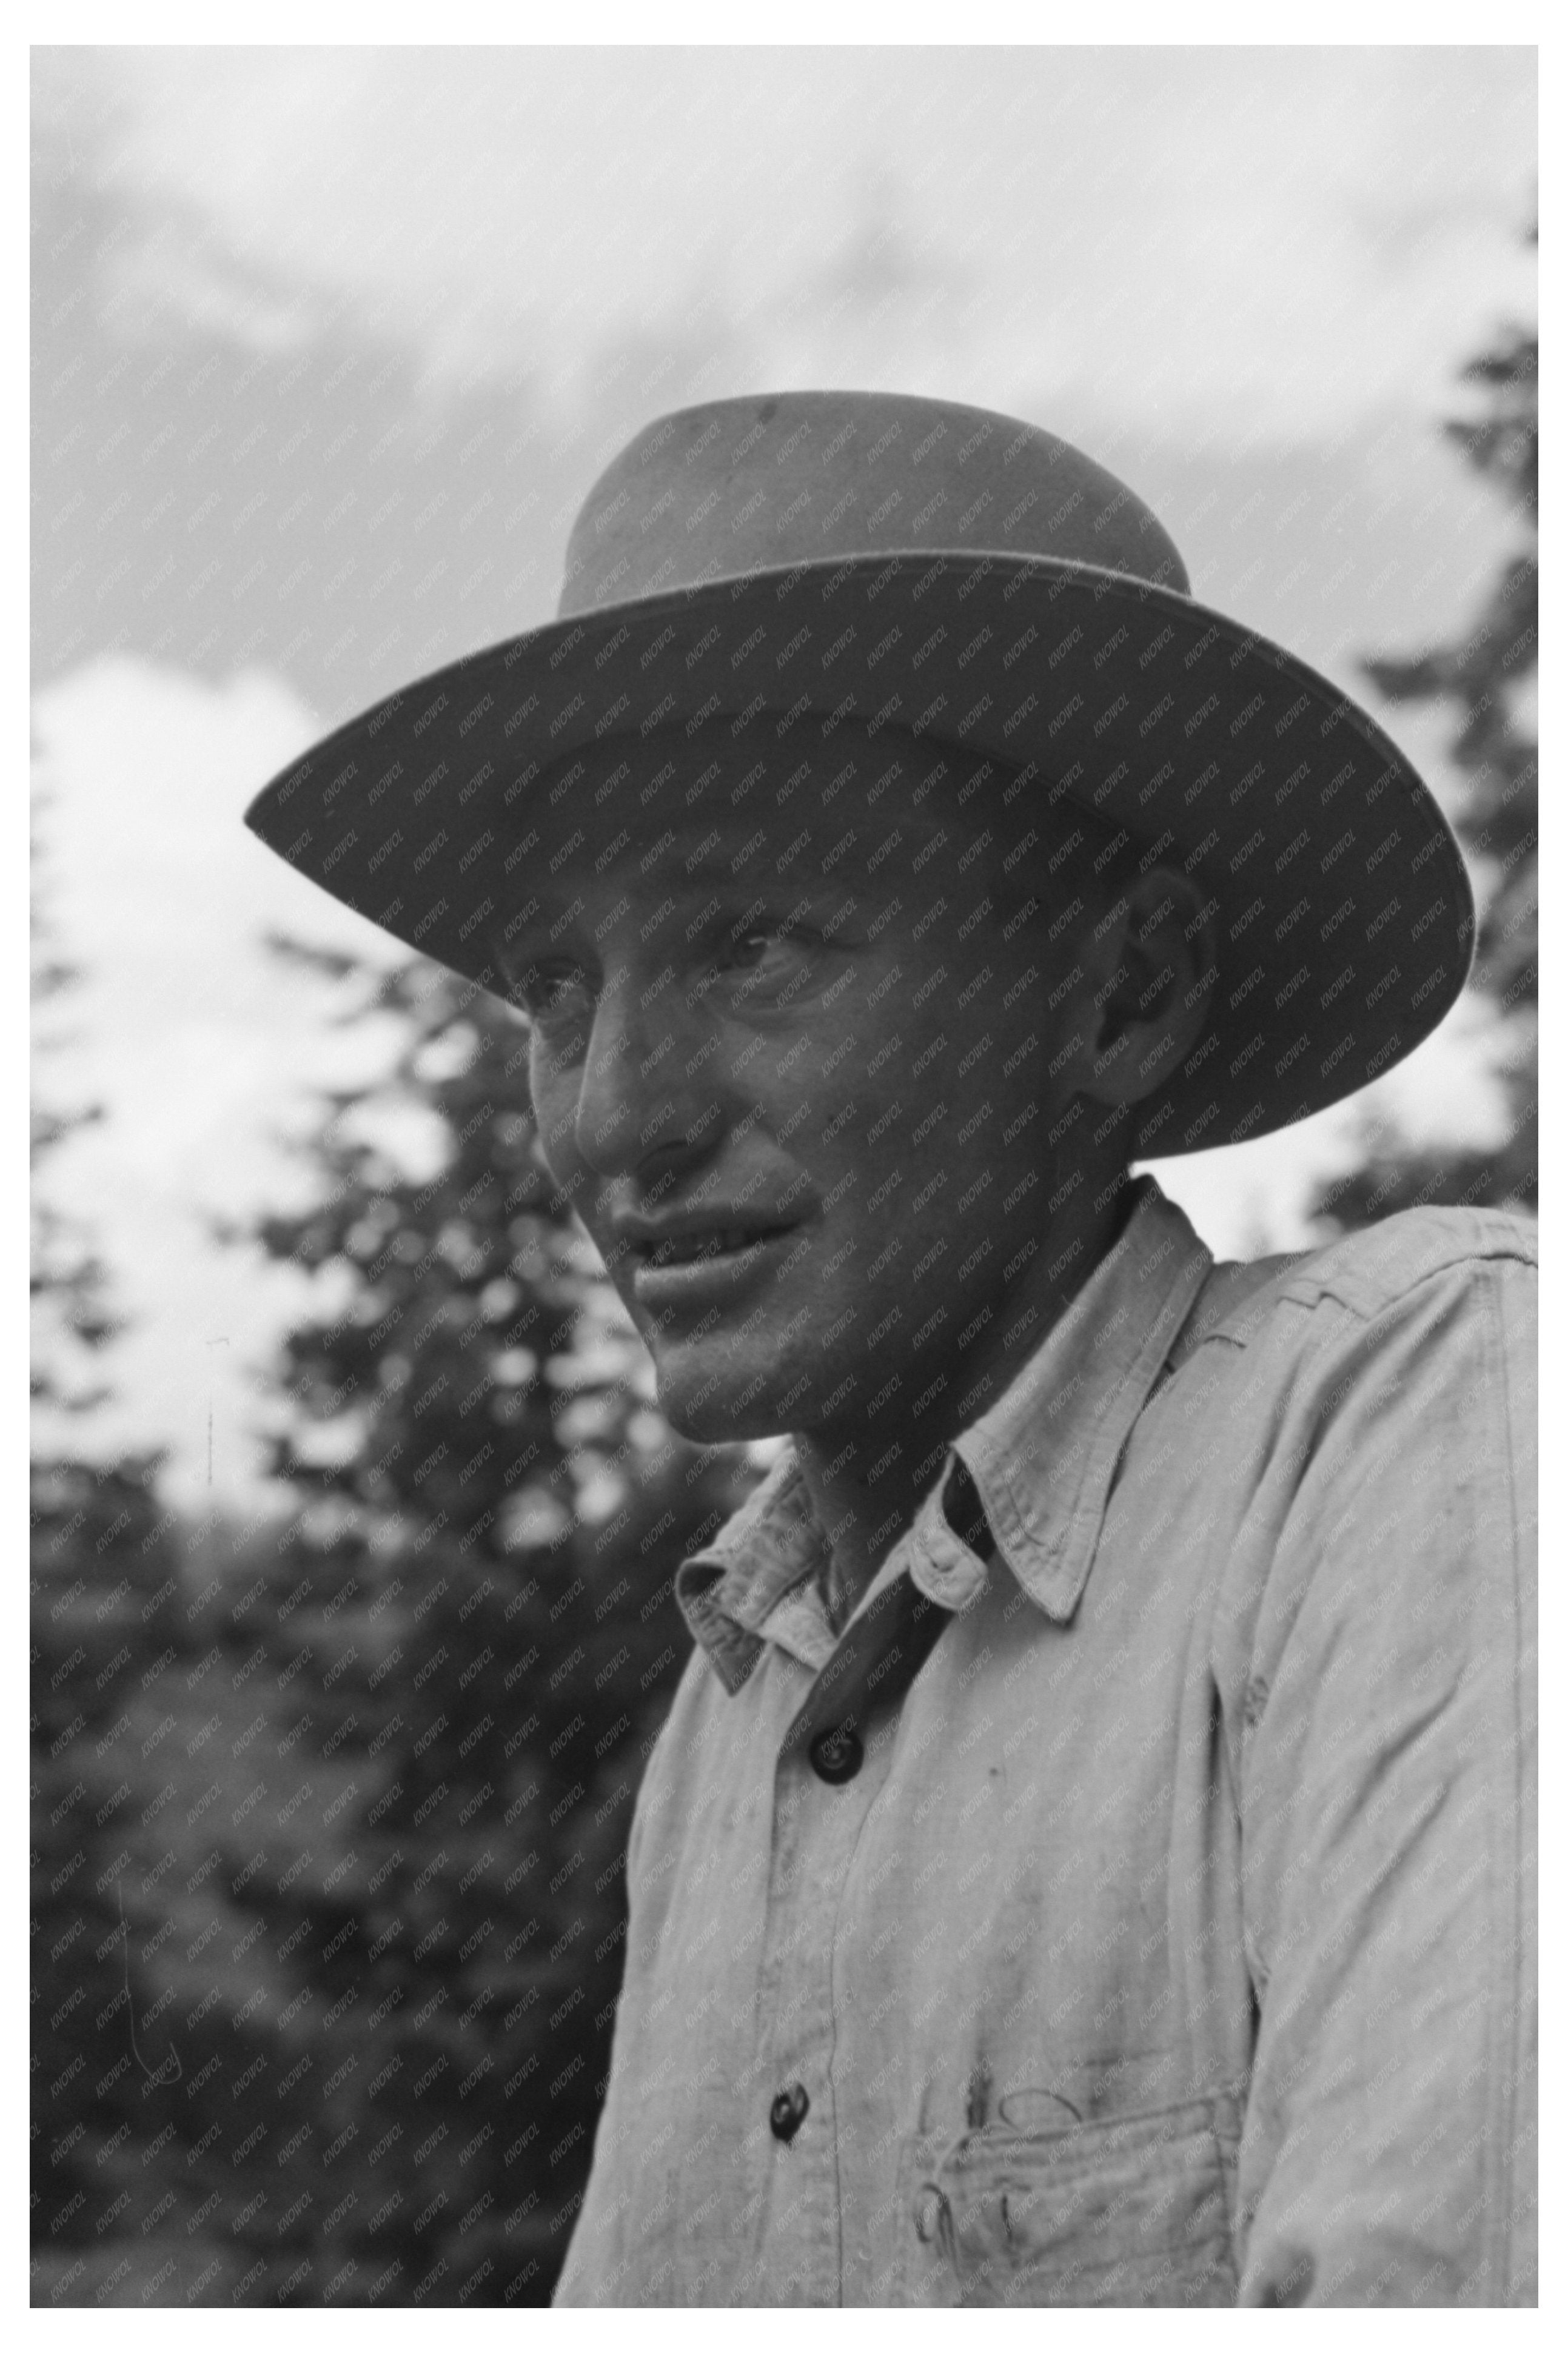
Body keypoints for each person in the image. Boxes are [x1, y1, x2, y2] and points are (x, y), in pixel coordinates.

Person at [246, 390, 1536, 2306]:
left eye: (753, 941)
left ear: (1124, 991)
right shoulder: (739, 1702)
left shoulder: (1425, 1419)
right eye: (555, 991)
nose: (613, 1121)